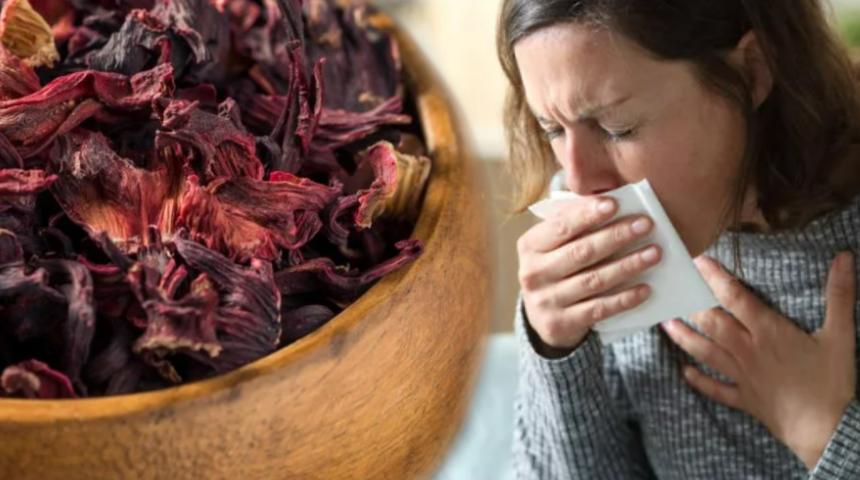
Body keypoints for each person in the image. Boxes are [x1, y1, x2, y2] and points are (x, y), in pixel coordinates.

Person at [497, 1, 860, 478]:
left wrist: (828, 433)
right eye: (552, 129)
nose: (580, 184)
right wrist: (557, 352)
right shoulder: (597, 234)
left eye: (616, 128)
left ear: (752, 71)